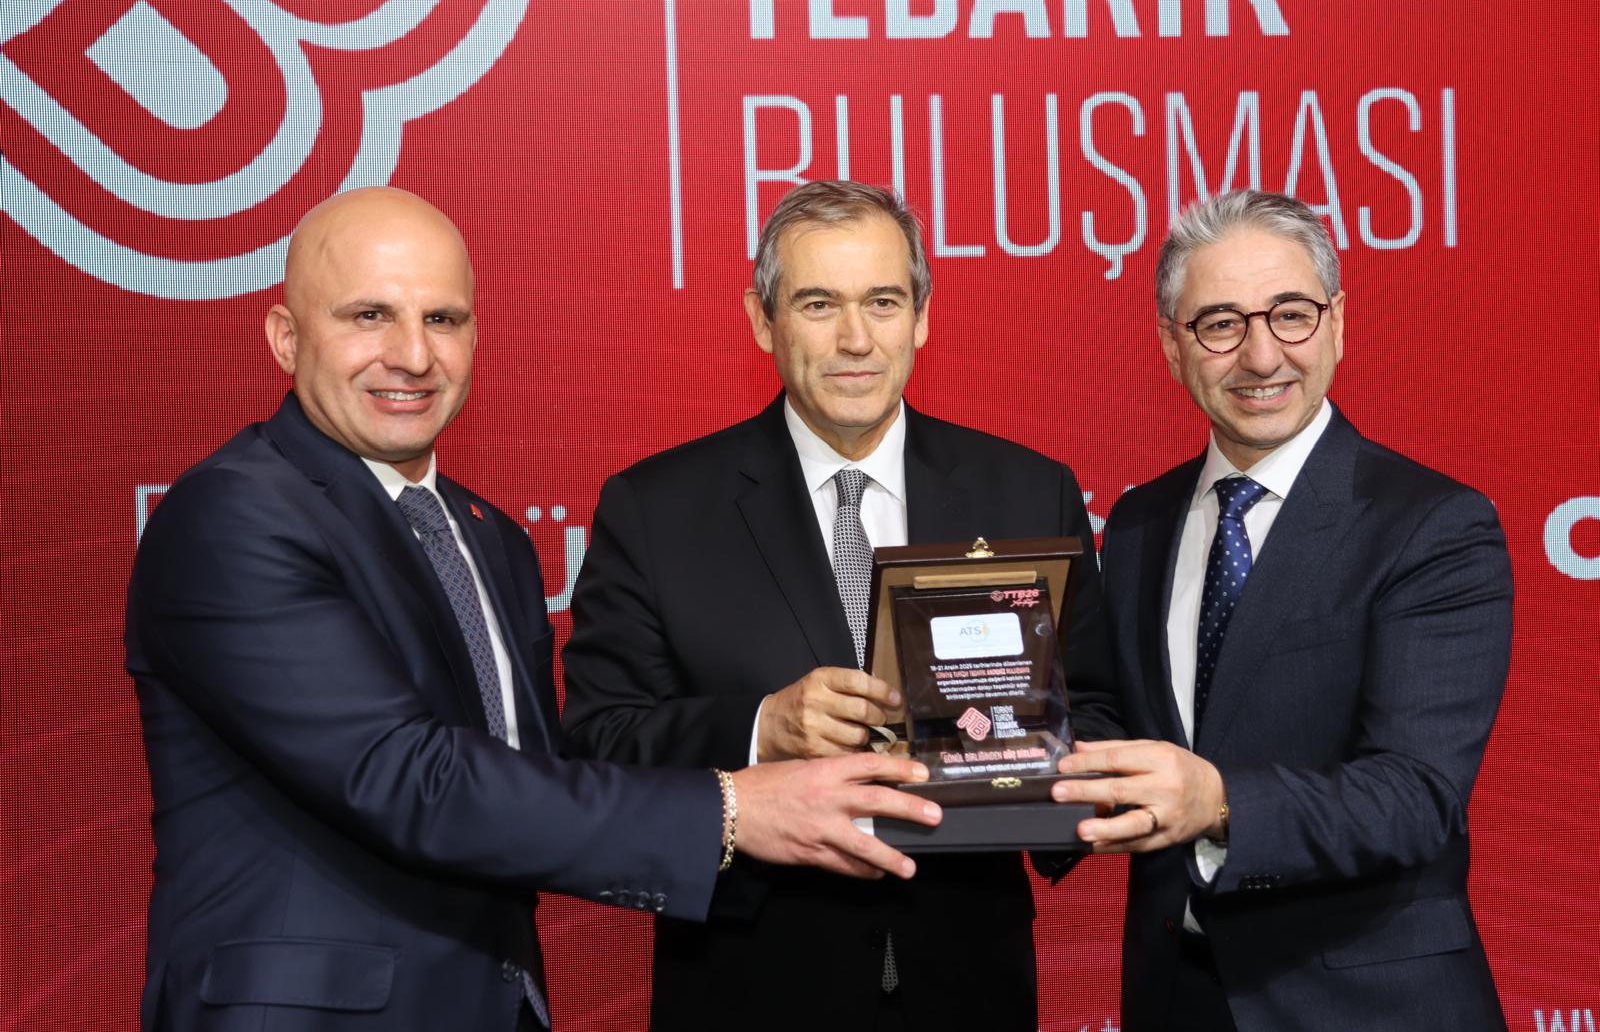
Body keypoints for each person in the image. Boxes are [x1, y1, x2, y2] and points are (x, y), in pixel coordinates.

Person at [124, 186, 944, 1032]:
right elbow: (408, 778)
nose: (413, 355)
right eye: (370, 316)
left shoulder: (490, 540)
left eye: (443, 319)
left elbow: (543, 778)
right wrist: (734, 809)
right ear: (285, 338)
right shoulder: (234, 515)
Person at [560, 180, 1118, 1031]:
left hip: (969, 985)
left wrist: (1021, 762)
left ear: (921, 317)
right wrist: (761, 728)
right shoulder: (656, 508)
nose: (856, 339)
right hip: (749, 991)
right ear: (763, 321)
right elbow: (599, 741)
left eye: (883, 302)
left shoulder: (1027, 492)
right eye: (819, 304)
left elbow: (1099, 711)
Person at [1051, 189, 1512, 1031]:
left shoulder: (1432, 525)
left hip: (1366, 1009)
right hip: (1177, 998)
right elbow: (1113, 723)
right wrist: (982, 754)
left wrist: (1217, 799)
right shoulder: (1141, 522)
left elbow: (1415, 796)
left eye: (1291, 315)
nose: (1262, 356)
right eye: (1221, 324)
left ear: (1337, 323)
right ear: (1172, 346)